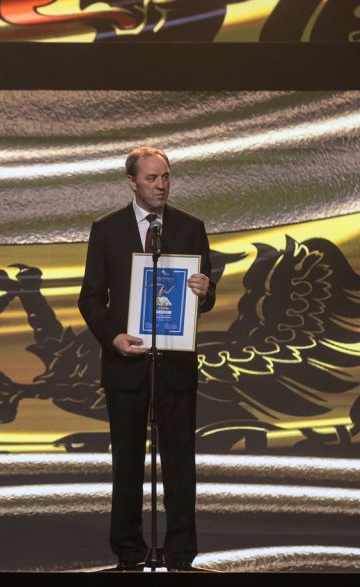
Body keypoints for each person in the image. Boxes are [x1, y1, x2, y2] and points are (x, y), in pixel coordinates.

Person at [78, 146, 215, 571]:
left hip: (175, 366)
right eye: (152, 178)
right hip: (127, 365)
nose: (161, 185)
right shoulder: (107, 230)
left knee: (180, 465)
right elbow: (90, 298)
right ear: (132, 182)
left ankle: (180, 556)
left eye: (166, 177)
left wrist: (205, 291)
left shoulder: (190, 227)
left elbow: (205, 298)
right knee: (127, 464)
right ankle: (129, 553)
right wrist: (112, 338)